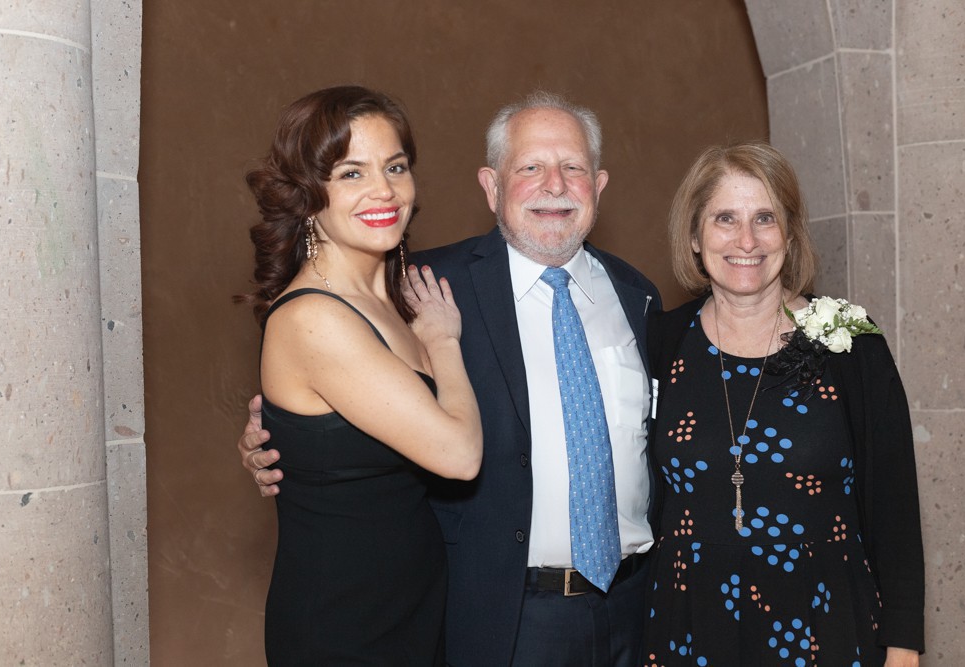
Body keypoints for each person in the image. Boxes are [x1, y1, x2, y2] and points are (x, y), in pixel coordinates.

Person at [240, 91, 661, 666]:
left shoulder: (638, 296)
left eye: (573, 167)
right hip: (487, 616)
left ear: (600, 184)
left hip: (628, 606)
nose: (554, 185)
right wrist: (276, 440)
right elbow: (327, 401)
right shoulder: (435, 289)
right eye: (530, 168)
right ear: (490, 186)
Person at [641, 141, 924, 666]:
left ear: (790, 234)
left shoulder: (850, 341)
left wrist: (903, 643)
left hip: (824, 623)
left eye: (765, 218)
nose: (746, 239)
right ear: (695, 237)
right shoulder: (661, 341)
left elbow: (895, 502)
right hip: (692, 625)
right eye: (725, 218)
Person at [238, 86, 482, 665]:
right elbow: (458, 455)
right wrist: (443, 342)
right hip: (343, 626)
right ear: (307, 195)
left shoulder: (395, 299)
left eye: (395, 167)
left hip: (411, 607)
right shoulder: (313, 317)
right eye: (352, 173)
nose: (384, 190)